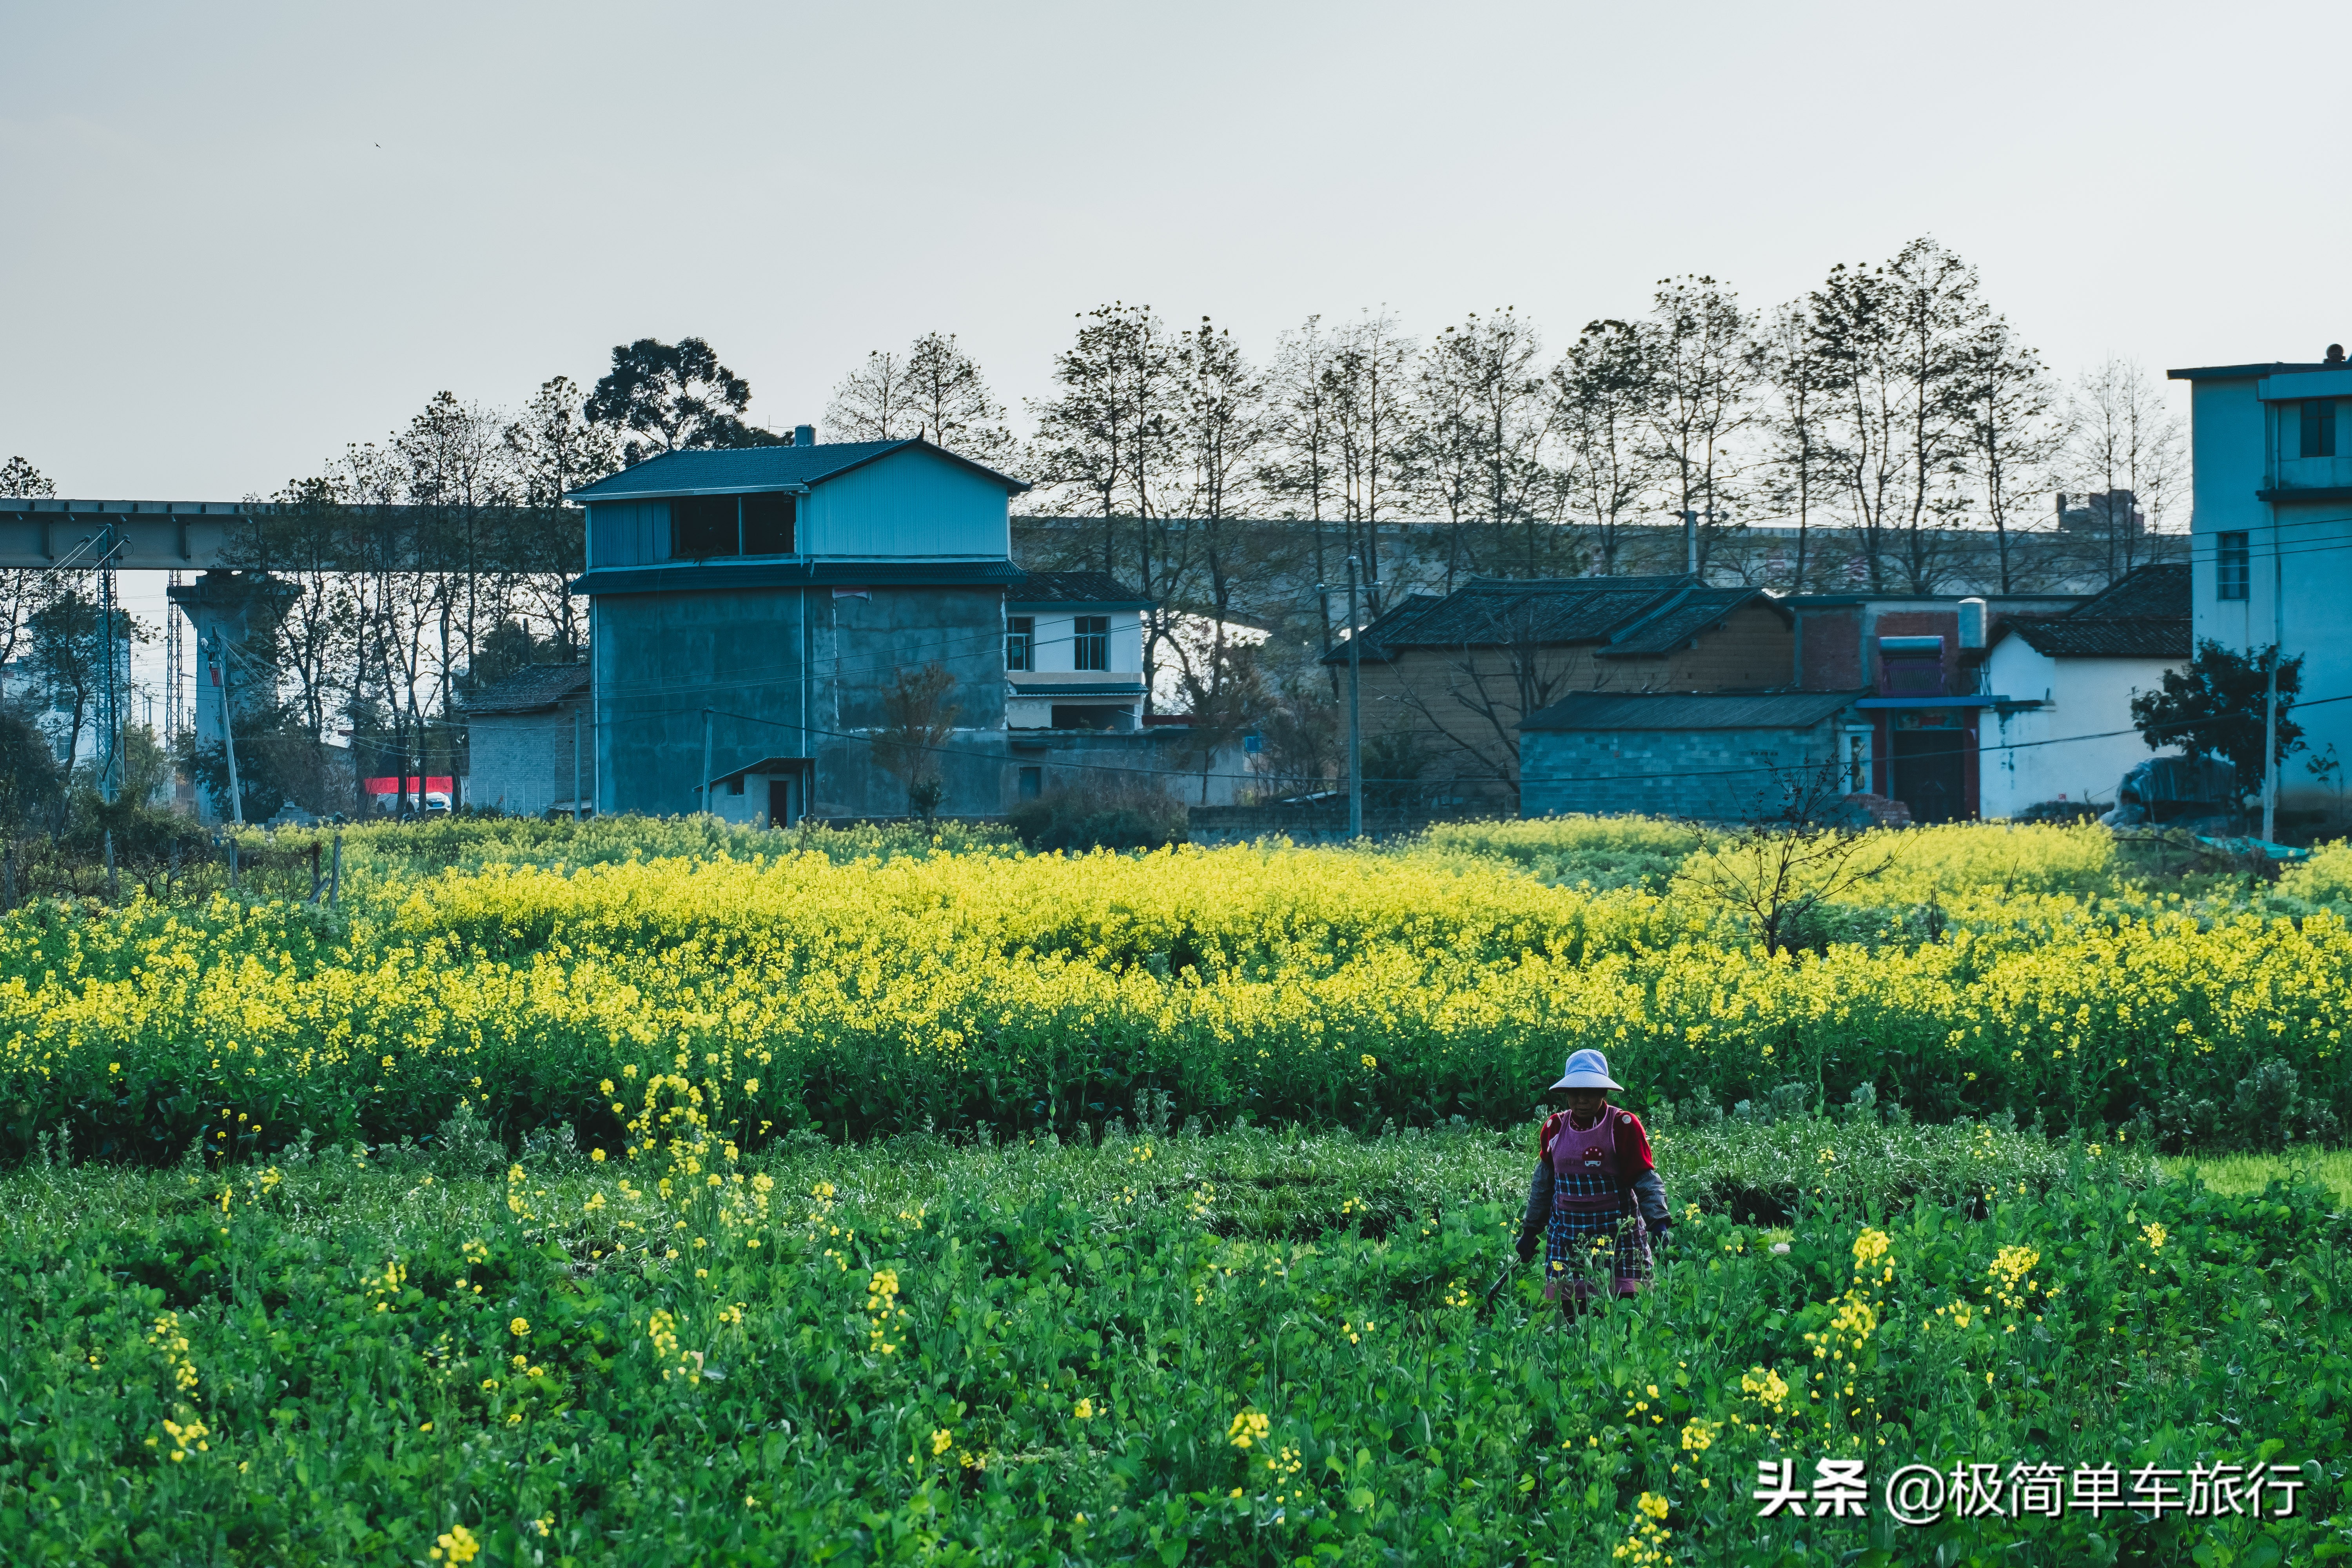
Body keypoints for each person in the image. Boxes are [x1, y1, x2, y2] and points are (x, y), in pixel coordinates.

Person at [1514, 1048, 1672, 1310]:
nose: (1581, 1100)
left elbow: (1645, 1180)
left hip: (1618, 1237)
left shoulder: (1622, 1126)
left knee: (1623, 1312)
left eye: (1590, 1092)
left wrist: (1659, 1222)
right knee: (1573, 1315)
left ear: (1603, 1093)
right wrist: (1530, 1231)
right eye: (1575, 1093)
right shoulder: (1554, 1128)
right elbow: (1543, 1186)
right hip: (1567, 1237)